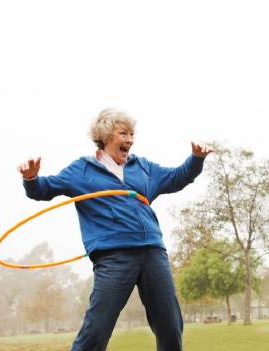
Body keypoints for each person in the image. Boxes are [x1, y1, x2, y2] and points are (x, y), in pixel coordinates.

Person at [17, 108, 212, 351]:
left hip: (152, 251)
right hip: (113, 256)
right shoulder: (81, 170)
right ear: (107, 135)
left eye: (132, 133)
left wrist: (195, 159)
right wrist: (31, 179)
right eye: (123, 133)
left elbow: (176, 178)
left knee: (170, 327)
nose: (130, 139)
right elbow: (43, 190)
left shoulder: (143, 167)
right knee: (96, 329)